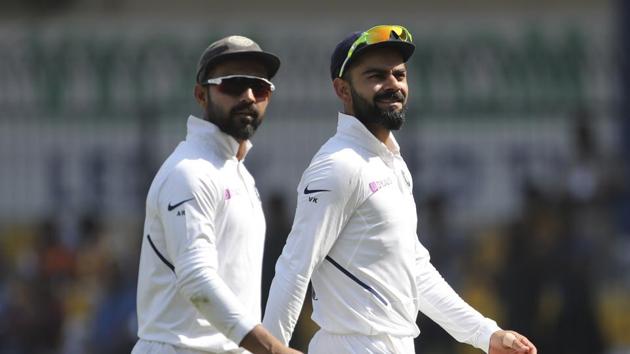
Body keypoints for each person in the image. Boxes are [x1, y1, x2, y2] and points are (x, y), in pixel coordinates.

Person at [262, 25, 537, 354]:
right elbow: (294, 268)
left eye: (399, 74)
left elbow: (415, 270)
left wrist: (485, 334)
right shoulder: (338, 165)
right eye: (375, 76)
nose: (392, 85)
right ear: (342, 89)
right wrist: (270, 350)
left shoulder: (391, 162)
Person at [132, 35, 301, 354]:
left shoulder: (236, 173)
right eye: (234, 85)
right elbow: (196, 279)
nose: (249, 97)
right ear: (201, 94)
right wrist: (274, 349)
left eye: (260, 87)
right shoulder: (189, 172)